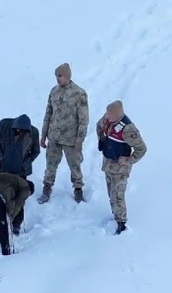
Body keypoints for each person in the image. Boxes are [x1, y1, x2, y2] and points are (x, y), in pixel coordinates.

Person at [39, 62, 90, 204]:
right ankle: (47, 188)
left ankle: (78, 189)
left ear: (67, 76)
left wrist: (80, 139)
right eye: (56, 76)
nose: (57, 78)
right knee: (50, 165)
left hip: (71, 139)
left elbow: (84, 119)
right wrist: (43, 135)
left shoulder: (79, 93)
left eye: (60, 76)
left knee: (75, 165)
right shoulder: (54, 91)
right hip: (54, 137)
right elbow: (48, 113)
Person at [96, 100, 147, 235]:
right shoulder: (107, 120)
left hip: (120, 168)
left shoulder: (128, 129)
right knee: (110, 193)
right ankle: (115, 215)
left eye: (109, 114)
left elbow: (141, 149)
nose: (106, 116)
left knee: (118, 195)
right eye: (107, 113)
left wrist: (129, 160)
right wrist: (102, 140)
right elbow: (99, 126)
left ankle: (121, 223)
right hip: (108, 164)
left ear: (118, 115)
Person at [0, 114, 40, 234]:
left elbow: (36, 151)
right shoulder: (4, 125)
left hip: (20, 171)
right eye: (19, 130)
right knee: (1, 193)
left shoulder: (33, 132)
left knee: (19, 195)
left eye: (24, 131)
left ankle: (16, 223)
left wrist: (26, 163)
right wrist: (0, 155)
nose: (21, 133)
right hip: (3, 168)